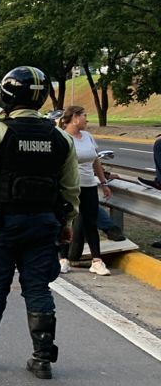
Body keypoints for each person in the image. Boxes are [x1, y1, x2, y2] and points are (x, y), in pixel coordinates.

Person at [0, 67, 80, 380]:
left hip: (2, 225)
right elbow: (71, 189)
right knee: (39, 289)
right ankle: (42, 359)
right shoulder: (62, 138)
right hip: (44, 225)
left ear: (7, 95)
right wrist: (66, 221)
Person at [57, 107, 112, 276]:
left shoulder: (88, 137)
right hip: (69, 187)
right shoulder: (62, 137)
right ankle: (63, 259)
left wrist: (103, 182)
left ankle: (97, 261)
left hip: (88, 185)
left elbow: (96, 162)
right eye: (84, 116)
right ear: (74, 118)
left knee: (91, 222)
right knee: (66, 221)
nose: (86, 120)